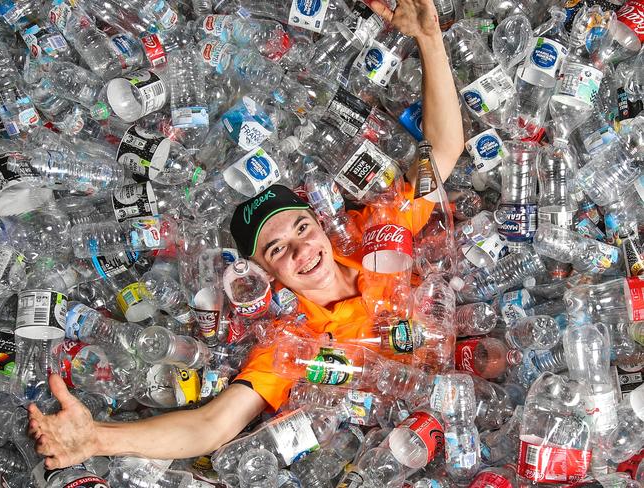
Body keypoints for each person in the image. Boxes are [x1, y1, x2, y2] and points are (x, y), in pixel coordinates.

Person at [28, 0, 464, 470]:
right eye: (279, 250)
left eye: (302, 228)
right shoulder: (292, 342)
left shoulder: (373, 234)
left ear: (322, 221)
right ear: (262, 273)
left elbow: (444, 149)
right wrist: (97, 439)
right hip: (405, 448)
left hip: (465, 380)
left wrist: (430, 39)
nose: (303, 250)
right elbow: (213, 425)